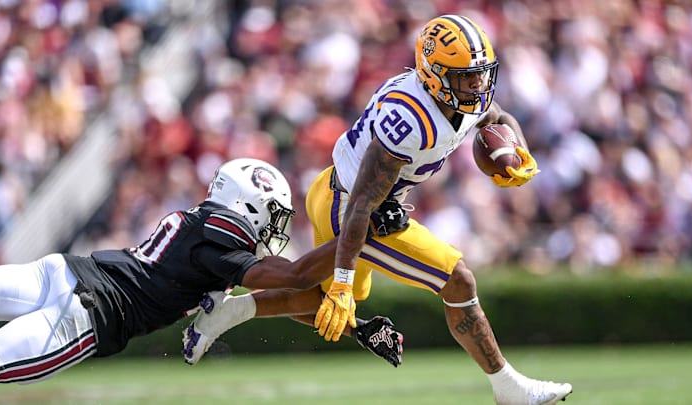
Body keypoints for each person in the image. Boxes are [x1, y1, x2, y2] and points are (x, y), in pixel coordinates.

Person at [182, 15, 572, 405]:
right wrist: (343, 279)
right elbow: (362, 204)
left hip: (339, 190)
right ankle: (509, 389)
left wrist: (517, 150)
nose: (477, 86)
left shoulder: (460, 94)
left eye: (480, 75)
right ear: (435, 75)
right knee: (457, 280)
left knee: (315, 298)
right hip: (353, 210)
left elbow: (497, 118)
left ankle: (225, 313)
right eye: (466, 78)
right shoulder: (413, 120)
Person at [0, 158, 403, 385]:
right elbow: (294, 278)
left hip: (58, 272)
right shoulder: (219, 240)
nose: (274, 227)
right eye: (273, 215)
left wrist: (357, 327)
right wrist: (360, 229)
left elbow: (283, 300)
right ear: (250, 204)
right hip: (85, 317)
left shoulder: (200, 222)